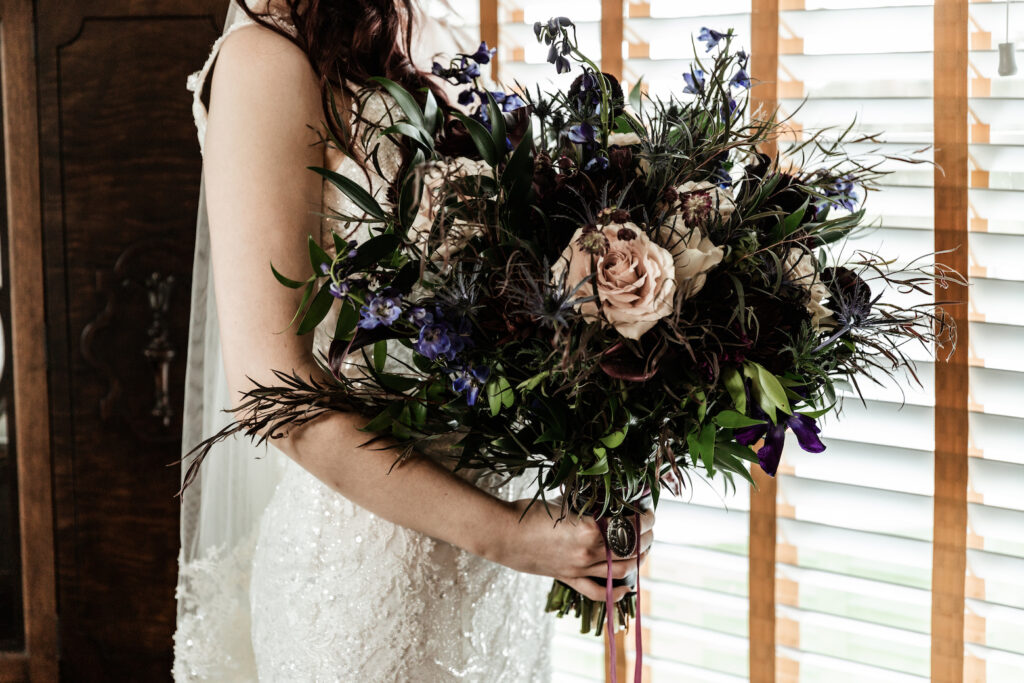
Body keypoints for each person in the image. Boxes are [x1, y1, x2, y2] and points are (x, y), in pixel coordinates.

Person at [175, 1, 654, 680]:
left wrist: (607, 446)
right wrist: (508, 533)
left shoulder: (440, 35)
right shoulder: (266, 62)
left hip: (500, 579)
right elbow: (271, 394)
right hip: (369, 587)